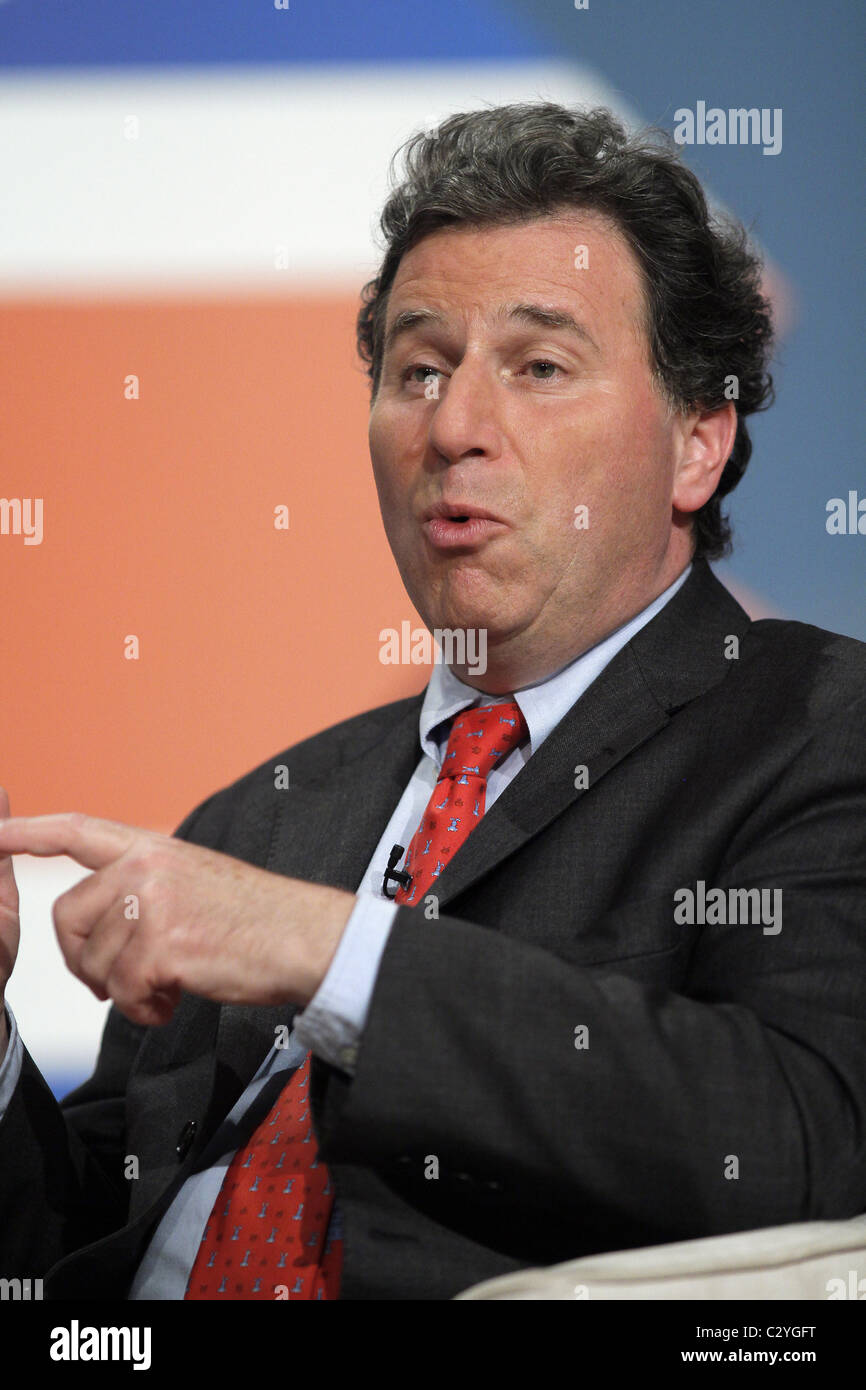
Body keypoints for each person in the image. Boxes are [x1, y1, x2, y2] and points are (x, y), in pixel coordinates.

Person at [0, 103, 864, 1302]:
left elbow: (801, 1138)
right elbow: (73, 1256)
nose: (453, 428)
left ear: (695, 443)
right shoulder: (257, 819)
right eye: (417, 370)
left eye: (538, 367)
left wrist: (322, 949)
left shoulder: (818, 732)